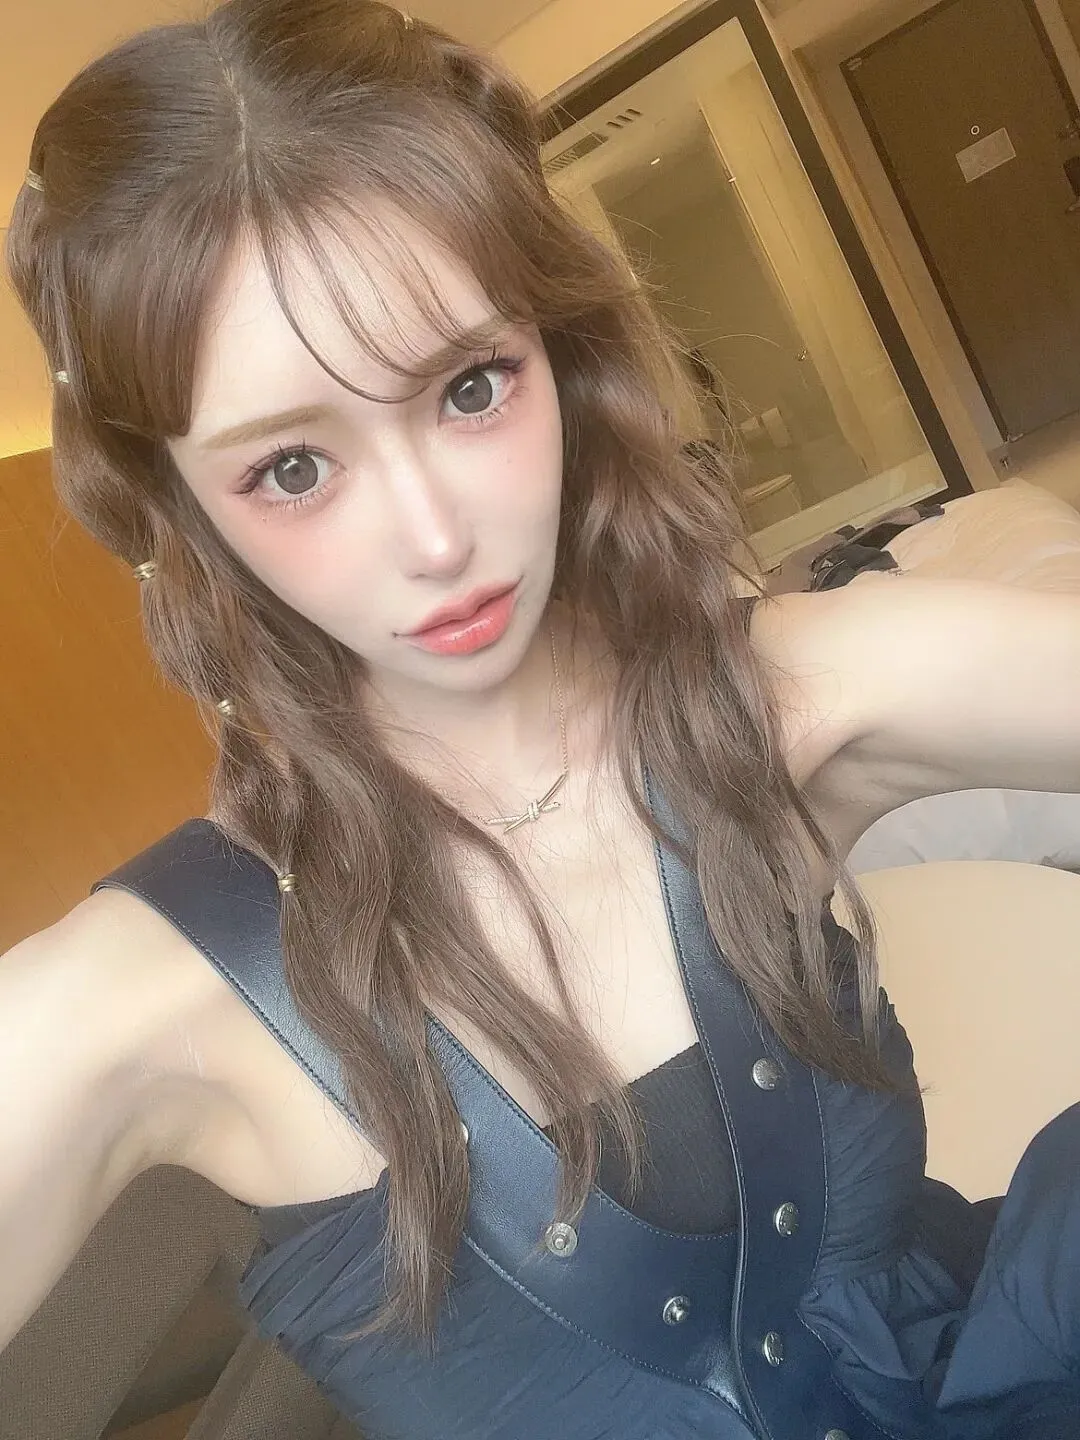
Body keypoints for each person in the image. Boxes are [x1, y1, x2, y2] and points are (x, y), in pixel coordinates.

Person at [3, 3, 1080, 1437]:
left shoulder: (800, 701)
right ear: (177, 506)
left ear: (555, 353)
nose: (436, 538)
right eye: (293, 469)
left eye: (470, 388)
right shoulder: (135, 1005)